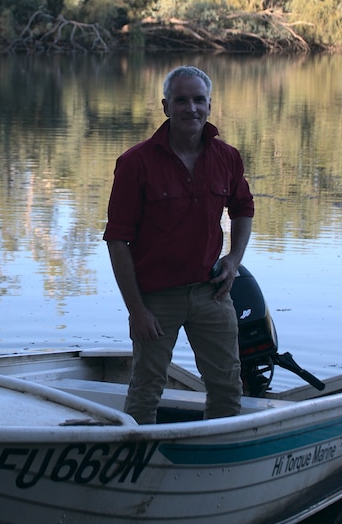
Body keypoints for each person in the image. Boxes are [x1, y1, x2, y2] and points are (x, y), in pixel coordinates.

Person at [103, 65, 254, 424]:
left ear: (210, 106)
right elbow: (117, 240)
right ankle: (136, 468)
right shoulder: (135, 163)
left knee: (227, 386)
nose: (192, 108)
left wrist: (233, 259)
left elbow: (243, 208)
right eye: (181, 100)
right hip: (156, 298)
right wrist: (136, 310)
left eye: (199, 100)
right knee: (146, 389)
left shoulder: (227, 157)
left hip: (211, 293)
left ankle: (219, 462)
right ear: (166, 106)